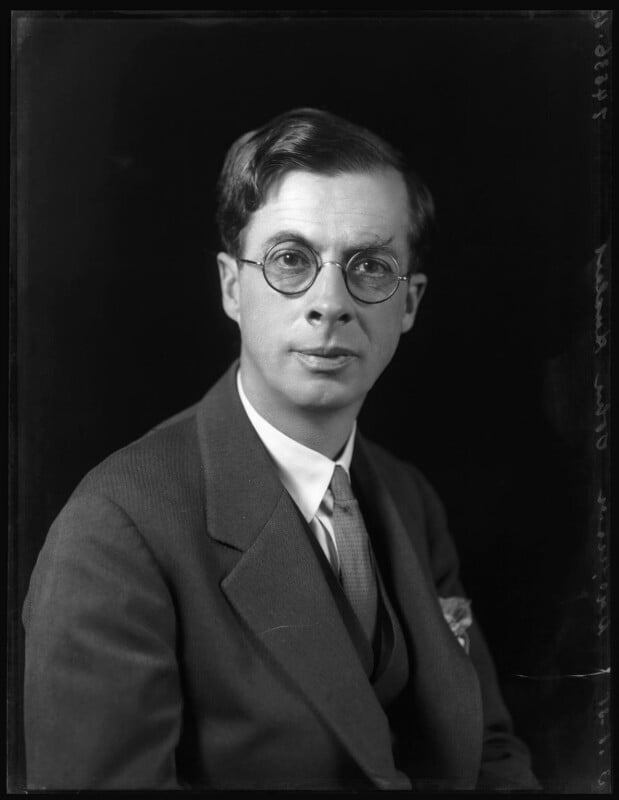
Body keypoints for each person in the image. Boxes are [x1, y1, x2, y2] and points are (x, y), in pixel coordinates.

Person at [23, 108, 539, 791]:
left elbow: (488, 752)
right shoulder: (116, 530)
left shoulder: (407, 496)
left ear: (409, 303)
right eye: (291, 260)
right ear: (231, 287)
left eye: (370, 266)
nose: (330, 303)